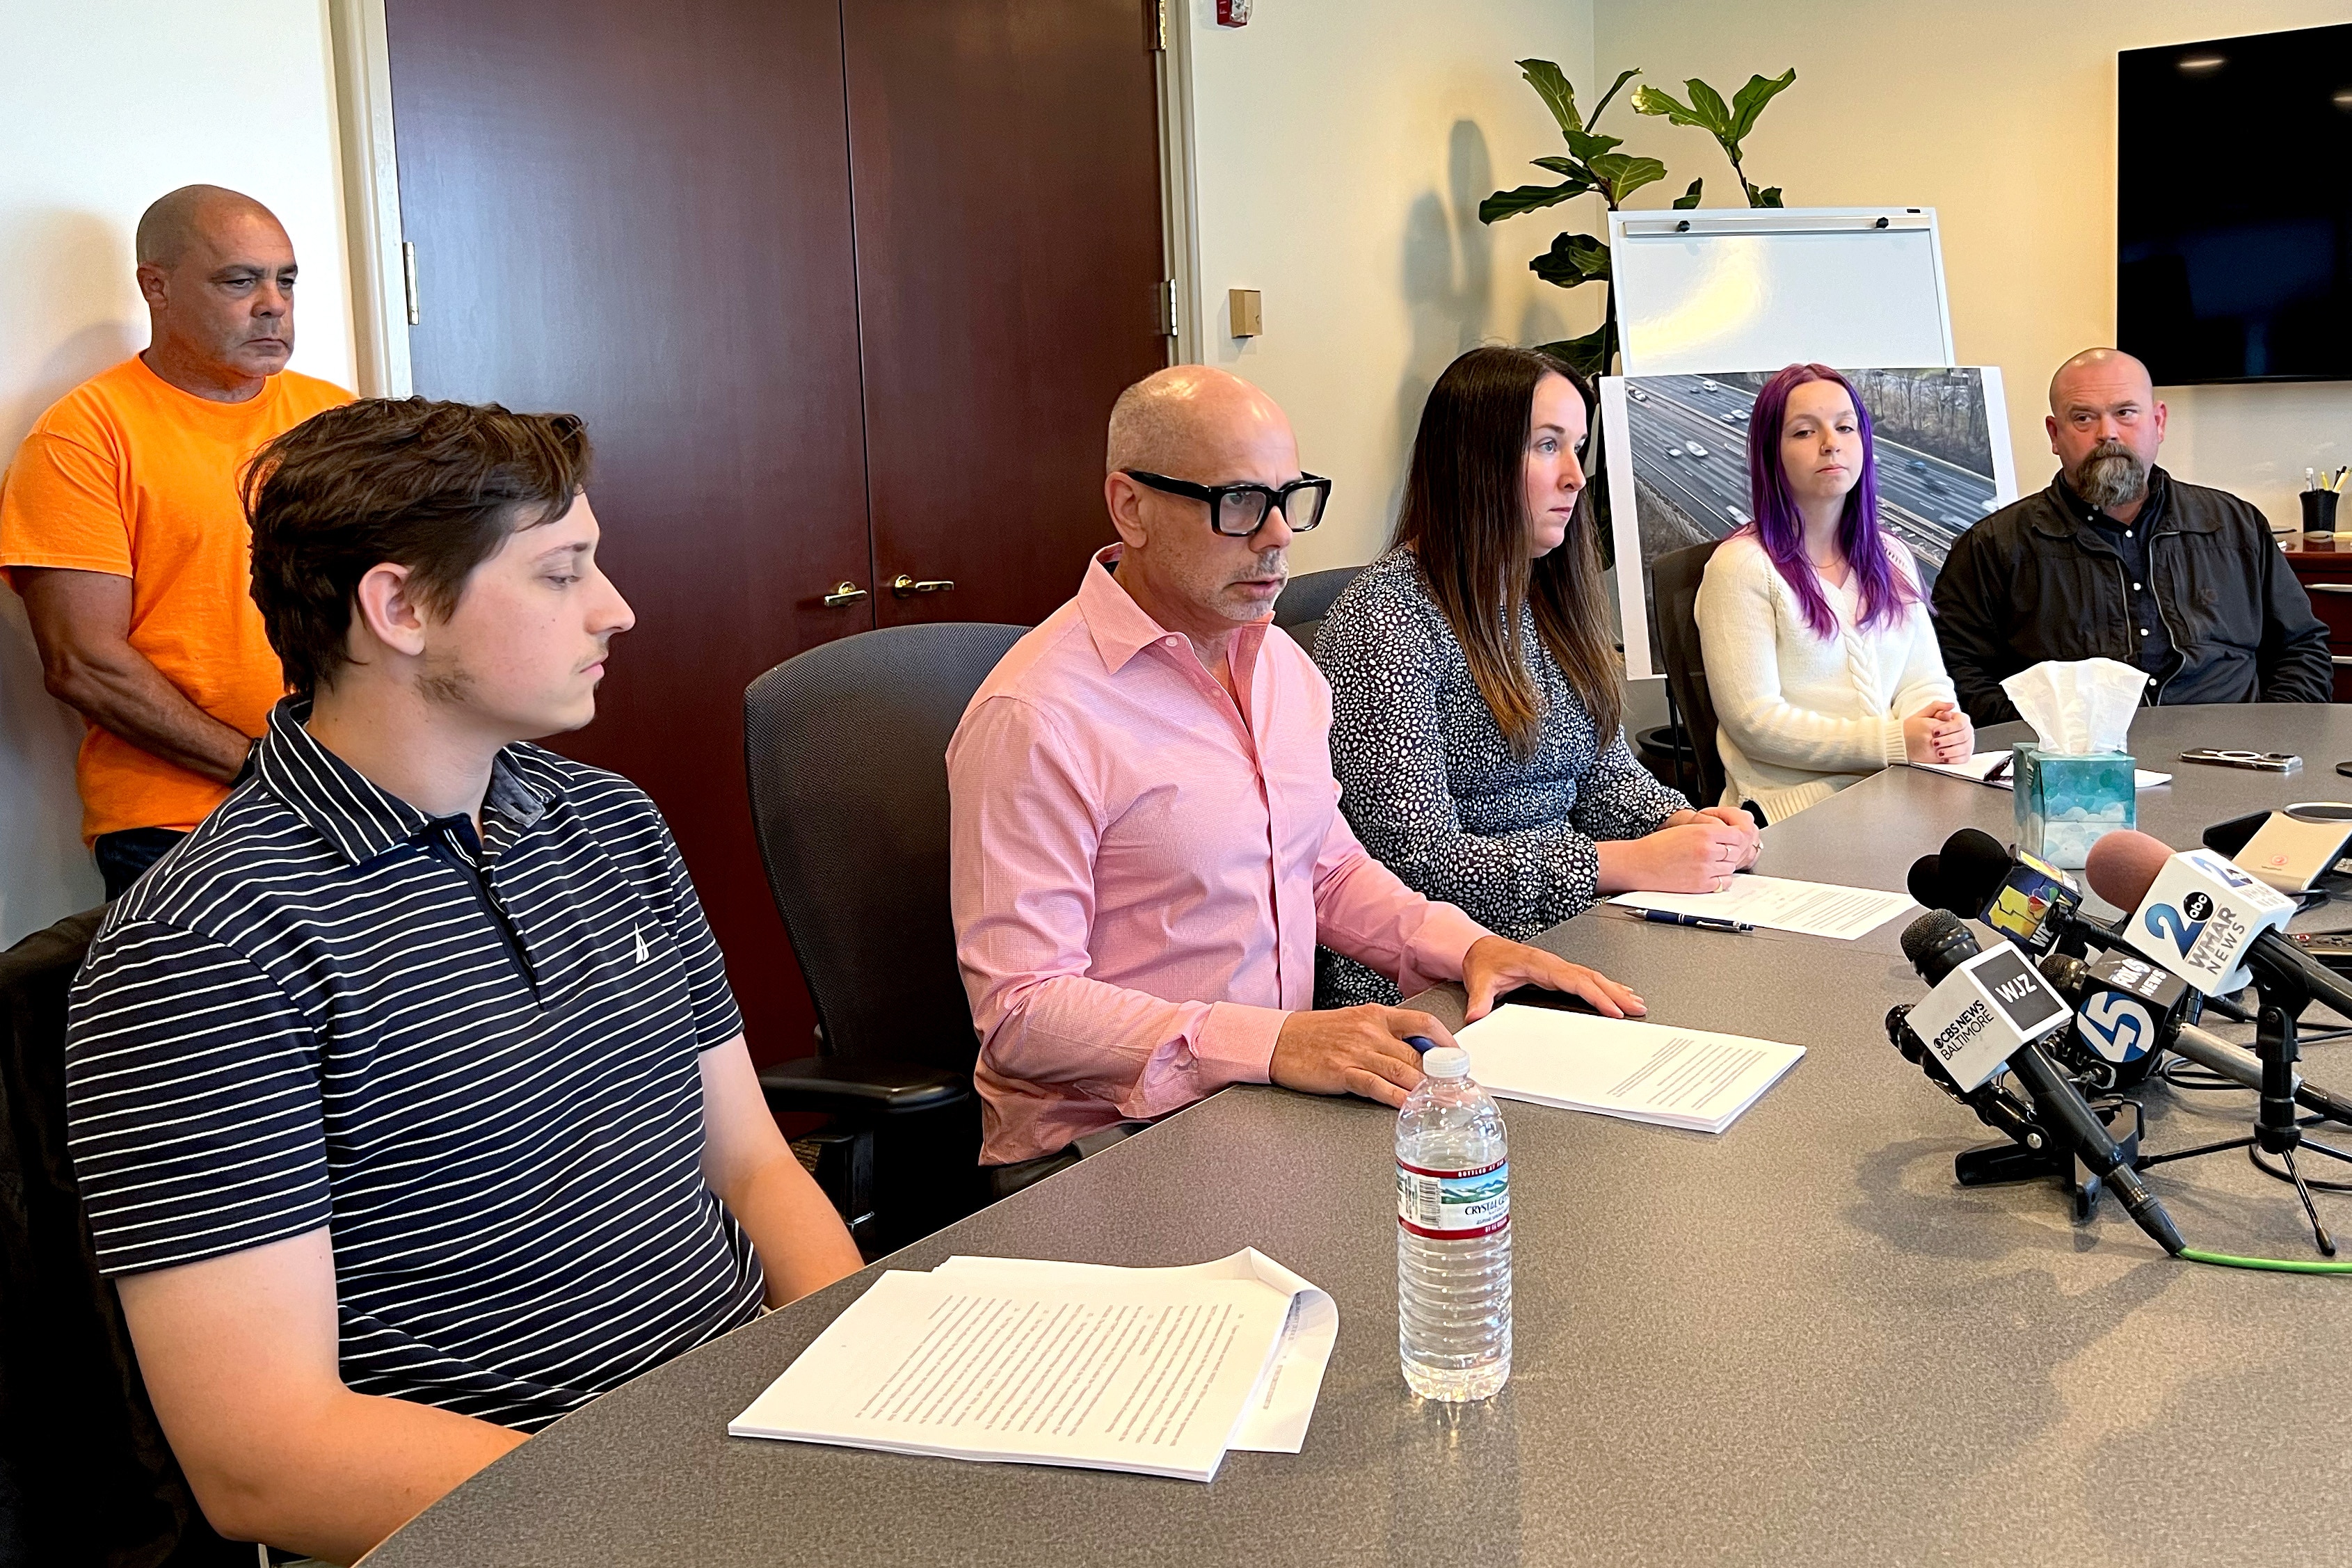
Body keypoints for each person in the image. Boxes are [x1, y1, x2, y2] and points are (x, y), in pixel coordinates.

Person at [64, 399, 862, 1563]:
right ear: (398, 608)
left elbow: (750, 1162)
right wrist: (679, 1519)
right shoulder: (205, 944)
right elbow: (265, 1454)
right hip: (528, 1523)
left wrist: (855, 1388)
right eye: (560, 574)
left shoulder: (608, 821)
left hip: (745, 1446)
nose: (615, 608)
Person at [948, 365, 1647, 1178]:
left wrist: (1468, 947)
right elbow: (1021, 1010)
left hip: (1266, 1102)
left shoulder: (1279, 663)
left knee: (1545, 1172)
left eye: (1290, 499)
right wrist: (1276, 1042)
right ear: (1130, 507)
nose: (1278, 535)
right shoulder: (1035, 715)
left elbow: (1326, 868)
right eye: (1241, 502)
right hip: (1106, 1148)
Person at [1311, 346, 1759, 1008]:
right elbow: (1413, 860)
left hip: (1571, 932)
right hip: (1437, 983)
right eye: (1547, 446)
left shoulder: (1541, 596)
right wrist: (1616, 863)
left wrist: (1683, 824)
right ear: (1474, 461)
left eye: (1577, 448)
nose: (1575, 477)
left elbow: (1599, 772)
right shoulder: (1382, 619)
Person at [1, 185, 352, 899]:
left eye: (285, 281)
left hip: (355, 800)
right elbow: (84, 664)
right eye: (240, 281)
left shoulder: (336, 419)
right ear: (155, 287)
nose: (273, 305)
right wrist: (269, 770)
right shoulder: (85, 437)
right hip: (182, 826)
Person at [1933, 347, 2330, 726]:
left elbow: (2301, 649)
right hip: (2070, 767)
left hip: (2234, 754)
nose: (2107, 434)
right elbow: (1958, 672)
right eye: (2083, 418)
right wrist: (2041, 742)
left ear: (2158, 422)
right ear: (2055, 434)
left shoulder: (2236, 527)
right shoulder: (1993, 546)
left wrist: (2273, 737)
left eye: (2125, 413)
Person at [1696, 362, 1968, 822]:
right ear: (1771, 453)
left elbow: (1923, 681)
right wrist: (1894, 742)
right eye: (1804, 432)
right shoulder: (1740, 566)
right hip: (1792, 813)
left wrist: (1941, 730)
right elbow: (1755, 723)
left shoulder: (1892, 556)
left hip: (1902, 795)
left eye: (1845, 427)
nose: (1830, 443)